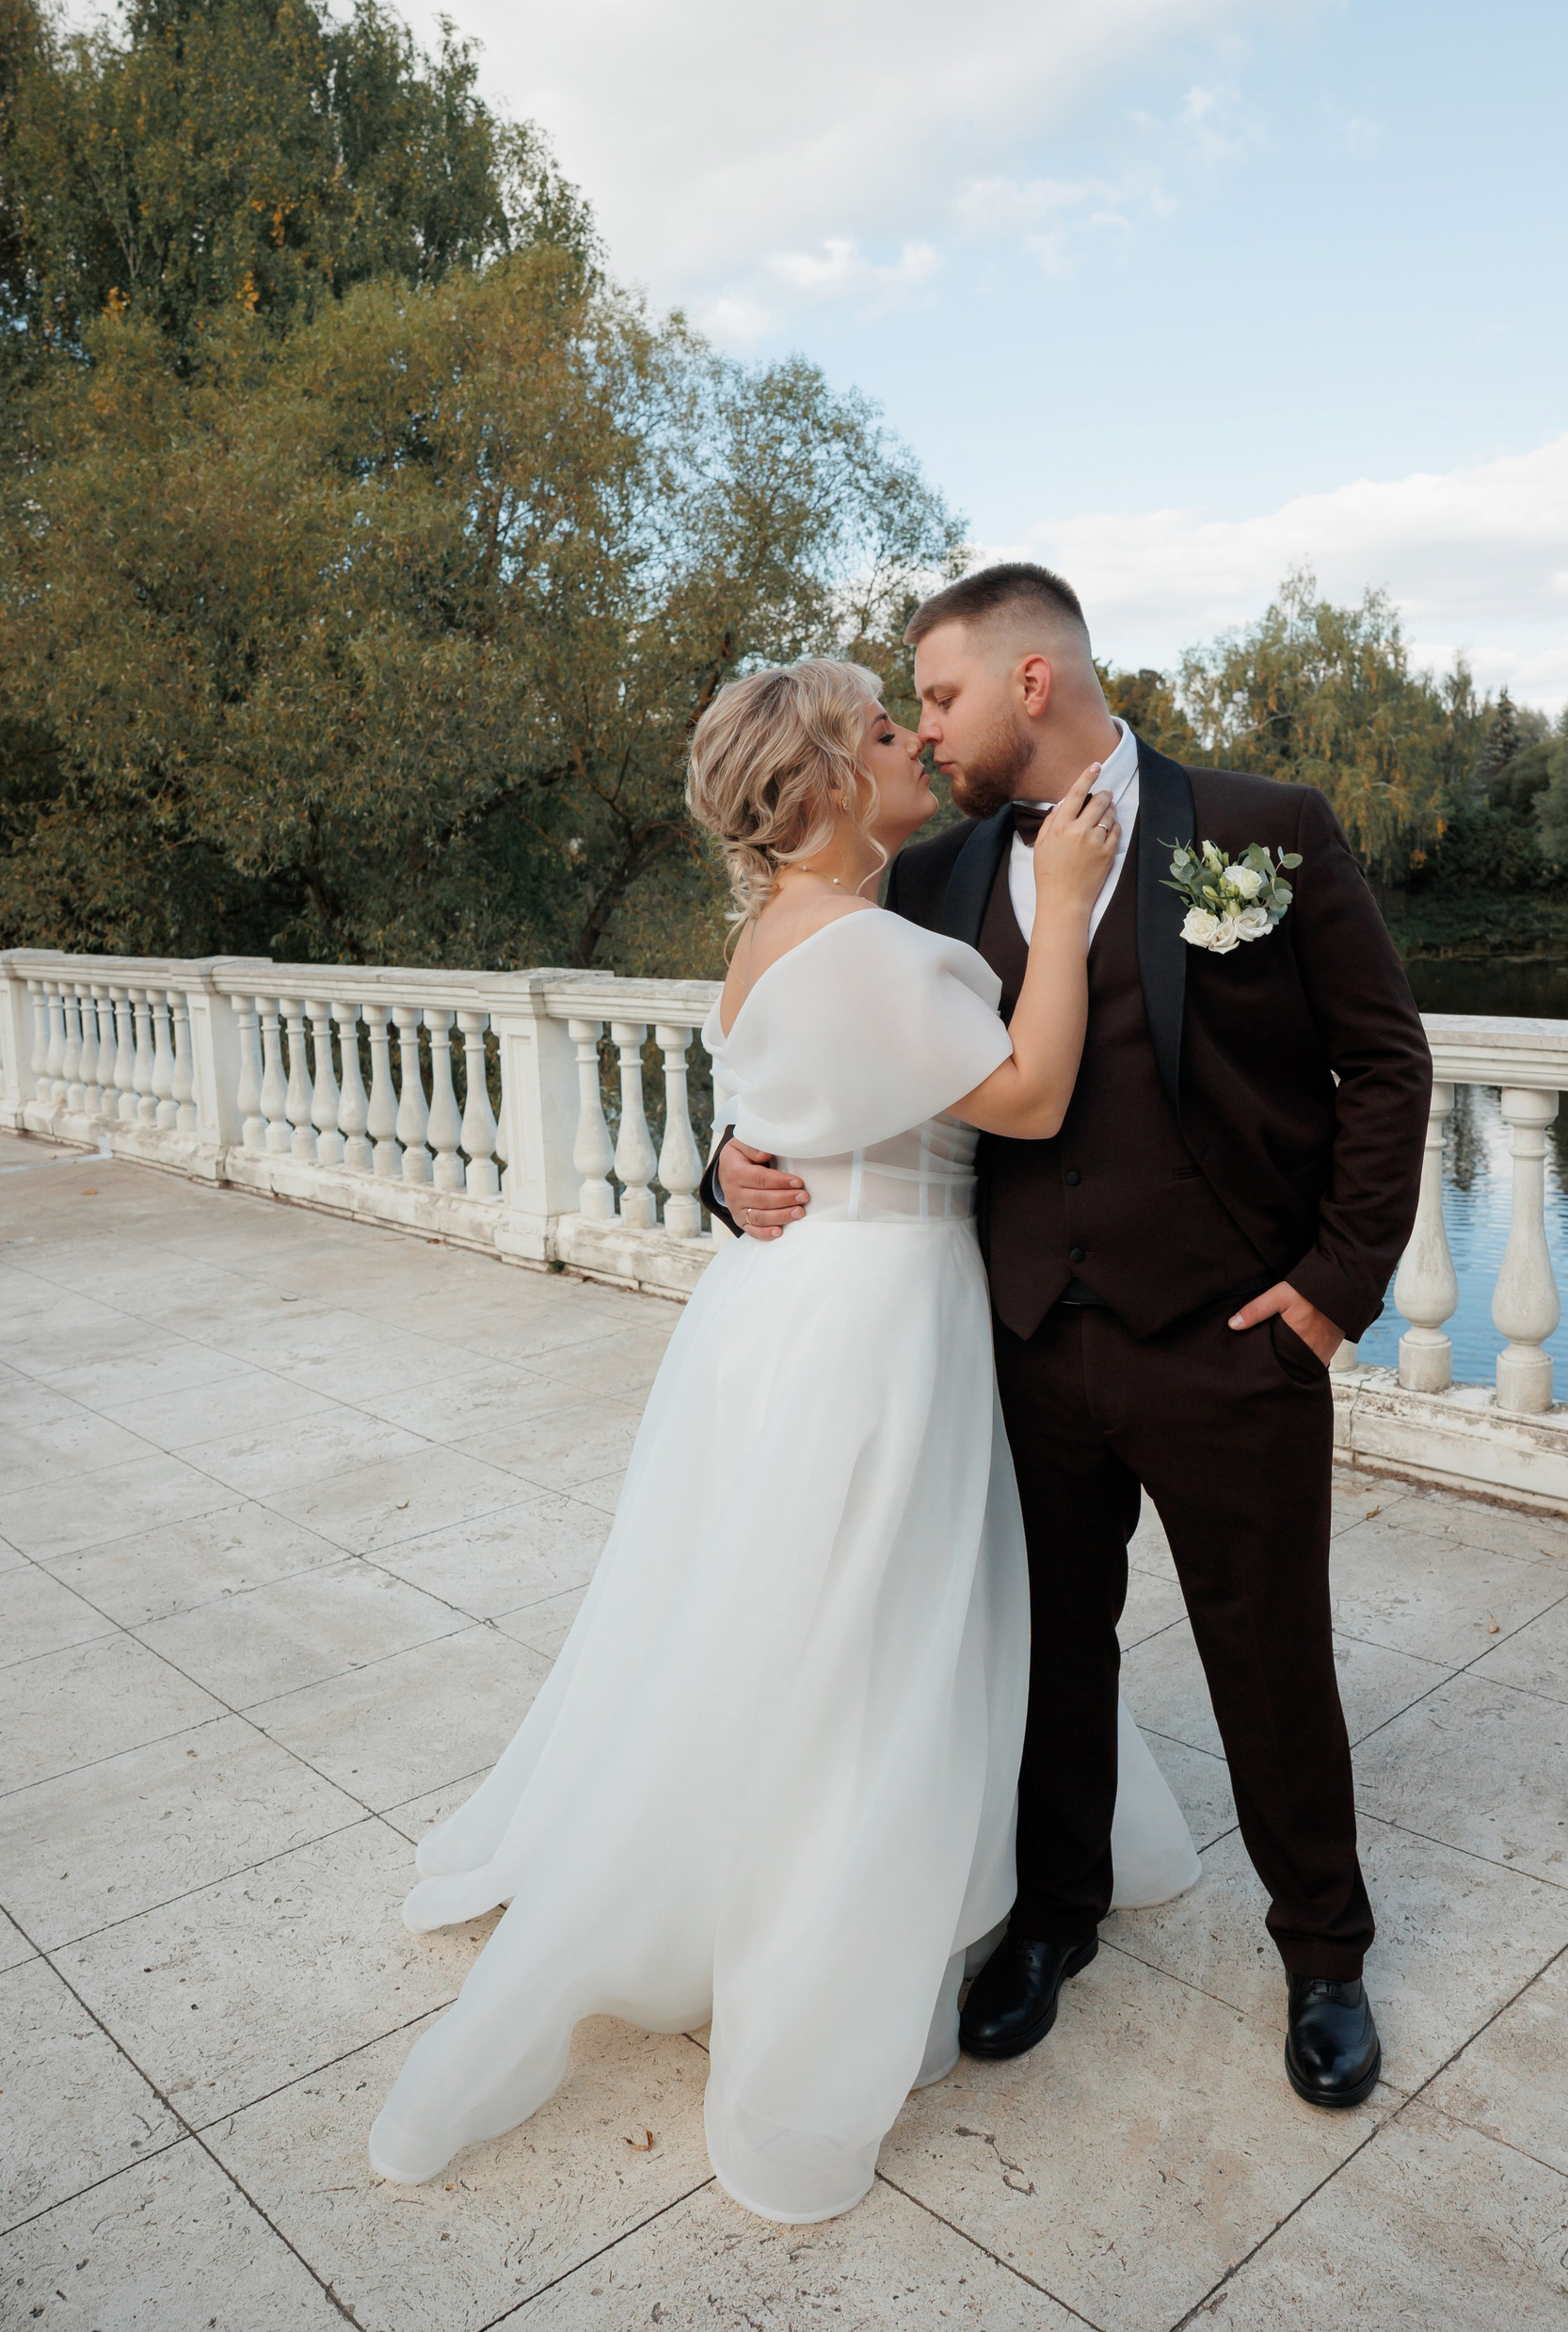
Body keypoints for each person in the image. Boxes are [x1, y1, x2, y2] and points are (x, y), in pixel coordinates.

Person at [367, 655, 1198, 2224]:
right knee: (859, 1621)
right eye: (883, 729)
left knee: (783, 1604)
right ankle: (827, 1902)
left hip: (781, 1309)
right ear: (821, 779)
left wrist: (740, 1155)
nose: (911, 743)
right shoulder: (866, 938)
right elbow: (1027, 1097)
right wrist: (1066, 901)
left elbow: (791, 1099)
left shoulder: (772, 935)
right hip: (877, 1314)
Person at [717, 567, 1433, 2110]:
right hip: (1020, 1338)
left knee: (1272, 1657)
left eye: (941, 696)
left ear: (1030, 681)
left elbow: (1384, 1064)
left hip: (1233, 1340)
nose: (925, 728)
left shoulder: (1262, 828)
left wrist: (1333, 1288)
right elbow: (803, 1029)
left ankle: (1325, 1953)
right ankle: (1053, 1918)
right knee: (1045, 1649)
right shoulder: (930, 871)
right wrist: (727, 1160)